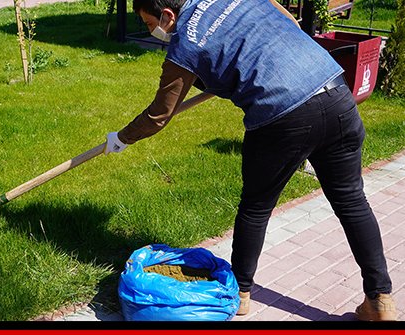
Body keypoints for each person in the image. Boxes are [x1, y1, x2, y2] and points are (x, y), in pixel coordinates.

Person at [104, 0, 397, 321]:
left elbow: (159, 115)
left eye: (150, 24)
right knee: (352, 201)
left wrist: (121, 137)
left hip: (282, 117)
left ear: (168, 15)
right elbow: (289, 21)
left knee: (255, 208)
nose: (154, 31)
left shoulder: (186, 42)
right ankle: (380, 299)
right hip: (336, 92)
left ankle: (241, 294)